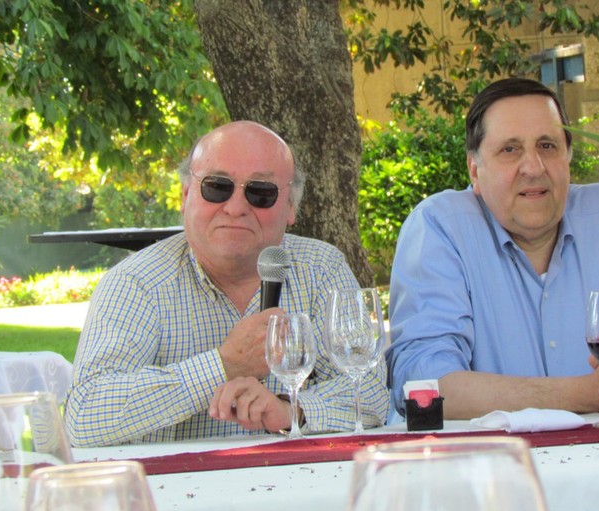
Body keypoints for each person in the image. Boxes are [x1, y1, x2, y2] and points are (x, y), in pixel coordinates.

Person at [386, 78, 599, 420]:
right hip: (496, 454)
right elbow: (423, 382)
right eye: (510, 150)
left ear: (568, 157)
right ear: (475, 170)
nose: (534, 168)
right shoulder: (440, 227)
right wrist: (584, 394)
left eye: (547, 146)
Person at [65, 121, 388, 447]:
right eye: (217, 187)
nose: (235, 208)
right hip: (177, 479)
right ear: (186, 195)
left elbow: (371, 392)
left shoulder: (321, 269)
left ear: (291, 207)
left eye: (260, 193)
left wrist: (291, 411)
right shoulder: (137, 283)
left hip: (301, 477)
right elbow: (84, 416)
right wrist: (224, 365)